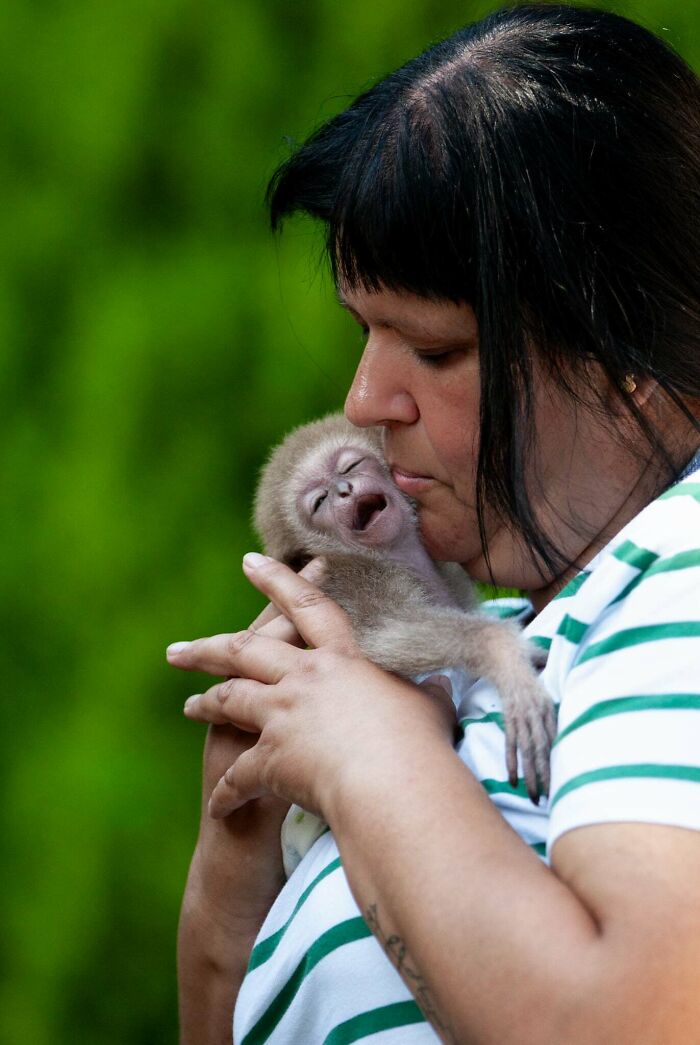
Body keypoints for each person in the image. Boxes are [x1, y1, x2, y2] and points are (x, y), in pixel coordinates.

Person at [173, 4, 700, 1042]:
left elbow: (648, 1017)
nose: (367, 398)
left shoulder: (680, 565)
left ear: (626, 357)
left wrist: (370, 762)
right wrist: (241, 846)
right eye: (365, 332)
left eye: (438, 349)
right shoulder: (527, 647)